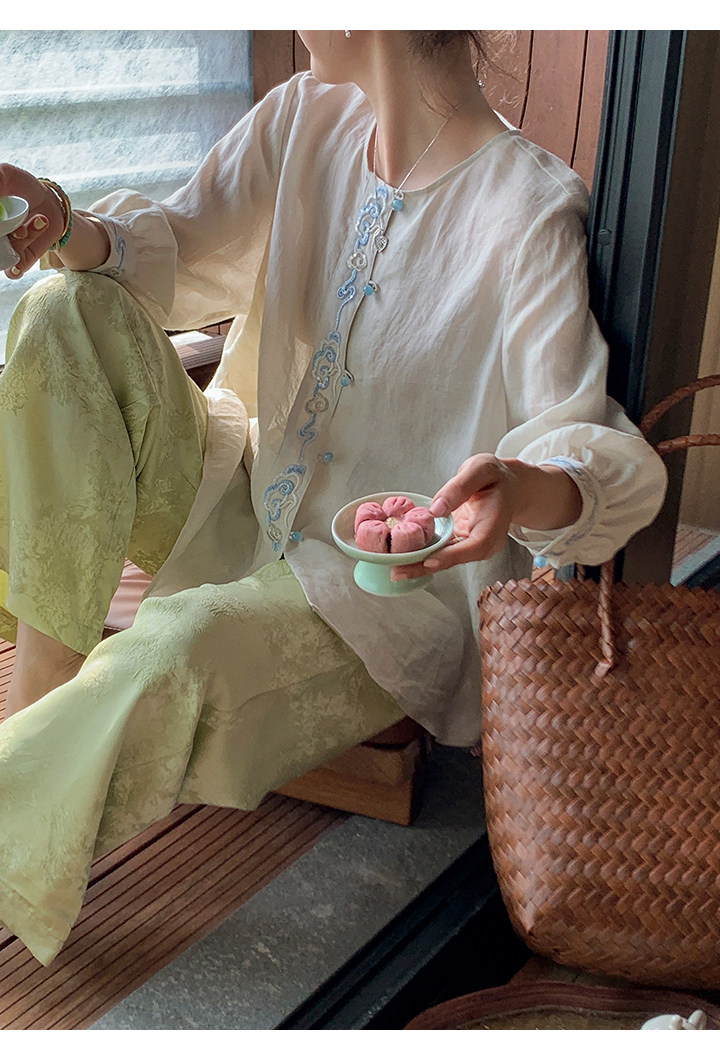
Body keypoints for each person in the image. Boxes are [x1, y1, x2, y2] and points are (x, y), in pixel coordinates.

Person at [0, 30, 667, 963]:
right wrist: (61, 222)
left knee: (179, 644)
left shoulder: (525, 208)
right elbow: (182, 252)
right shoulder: (303, 119)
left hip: (378, 597)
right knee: (62, 307)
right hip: (242, 495)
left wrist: (519, 489)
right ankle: (38, 700)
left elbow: (587, 443)